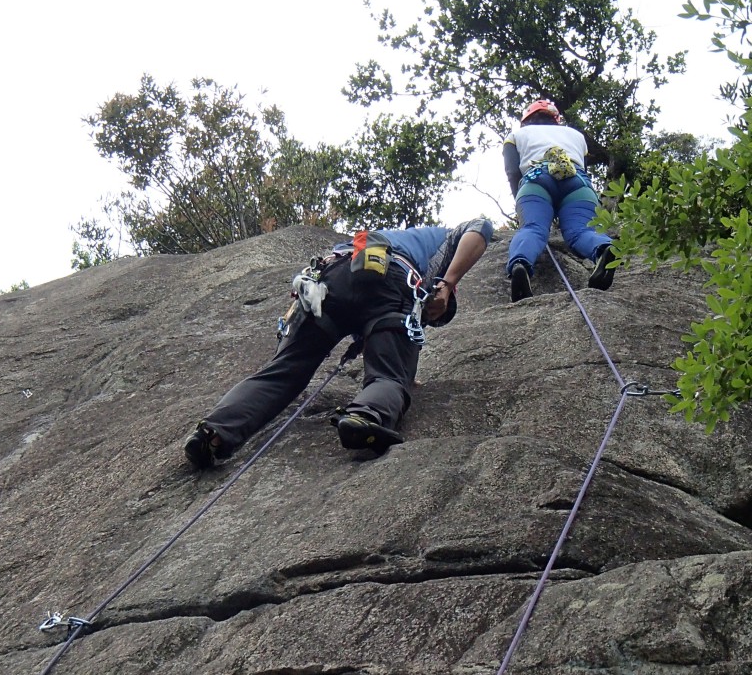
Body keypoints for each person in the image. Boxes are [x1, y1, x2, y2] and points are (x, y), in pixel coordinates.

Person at [184, 219, 494, 467]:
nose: (428, 316)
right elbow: (481, 226)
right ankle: (364, 416)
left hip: (330, 279)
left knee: (284, 371)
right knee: (388, 378)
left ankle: (214, 431)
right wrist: (447, 284)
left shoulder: (381, 238)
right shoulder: (439, 240)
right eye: (431, 315)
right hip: (393, 280)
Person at [503, 98, 616, 302]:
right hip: (578, 181)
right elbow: (581, 165)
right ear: (555, 119)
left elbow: (512, 171)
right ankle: (603, 248)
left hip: (536, 179)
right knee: (581, 231)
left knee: (533, 228)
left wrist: (521, 199)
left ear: (527, 120)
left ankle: (520, 263)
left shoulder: (516, 135)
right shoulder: (576, 135)